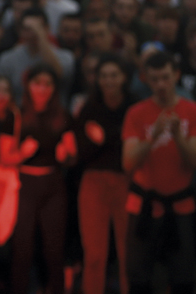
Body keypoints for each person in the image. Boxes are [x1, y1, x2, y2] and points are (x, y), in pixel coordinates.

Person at [121, 52, 196, 294]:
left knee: (183, 278)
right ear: (146, 79)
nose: (161, 85)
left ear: (176, 76)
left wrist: (178, 136)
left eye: (166, 78)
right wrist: (152, 137)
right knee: (138, 278)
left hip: (180, 206)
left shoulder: (194, 112)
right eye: (155, 79)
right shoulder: (136, 113)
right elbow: (128, 162)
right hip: (144, 205)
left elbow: (194, 161)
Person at [0, 64, 76, 294]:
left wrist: (66, 155)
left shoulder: (62, 116)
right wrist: (22, 154)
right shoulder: (16, 115)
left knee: (54, 249)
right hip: (24, 184)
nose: (42, 89)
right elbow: (4, 157)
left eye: (47, 84)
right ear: (28, 85)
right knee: (22, 248)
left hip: (53, 185)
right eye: (37, 83)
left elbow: (72, 154)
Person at [75, 53, 133, 294]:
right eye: (104, 76)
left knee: (128, 253)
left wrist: (103, 137)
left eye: (114, 75)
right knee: (94, 254)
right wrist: (116, 137)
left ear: (124, 77)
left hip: (127, 182)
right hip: (93, 182)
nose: (108, 81)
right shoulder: (89, 108)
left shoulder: (135, 106)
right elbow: (82, 151)